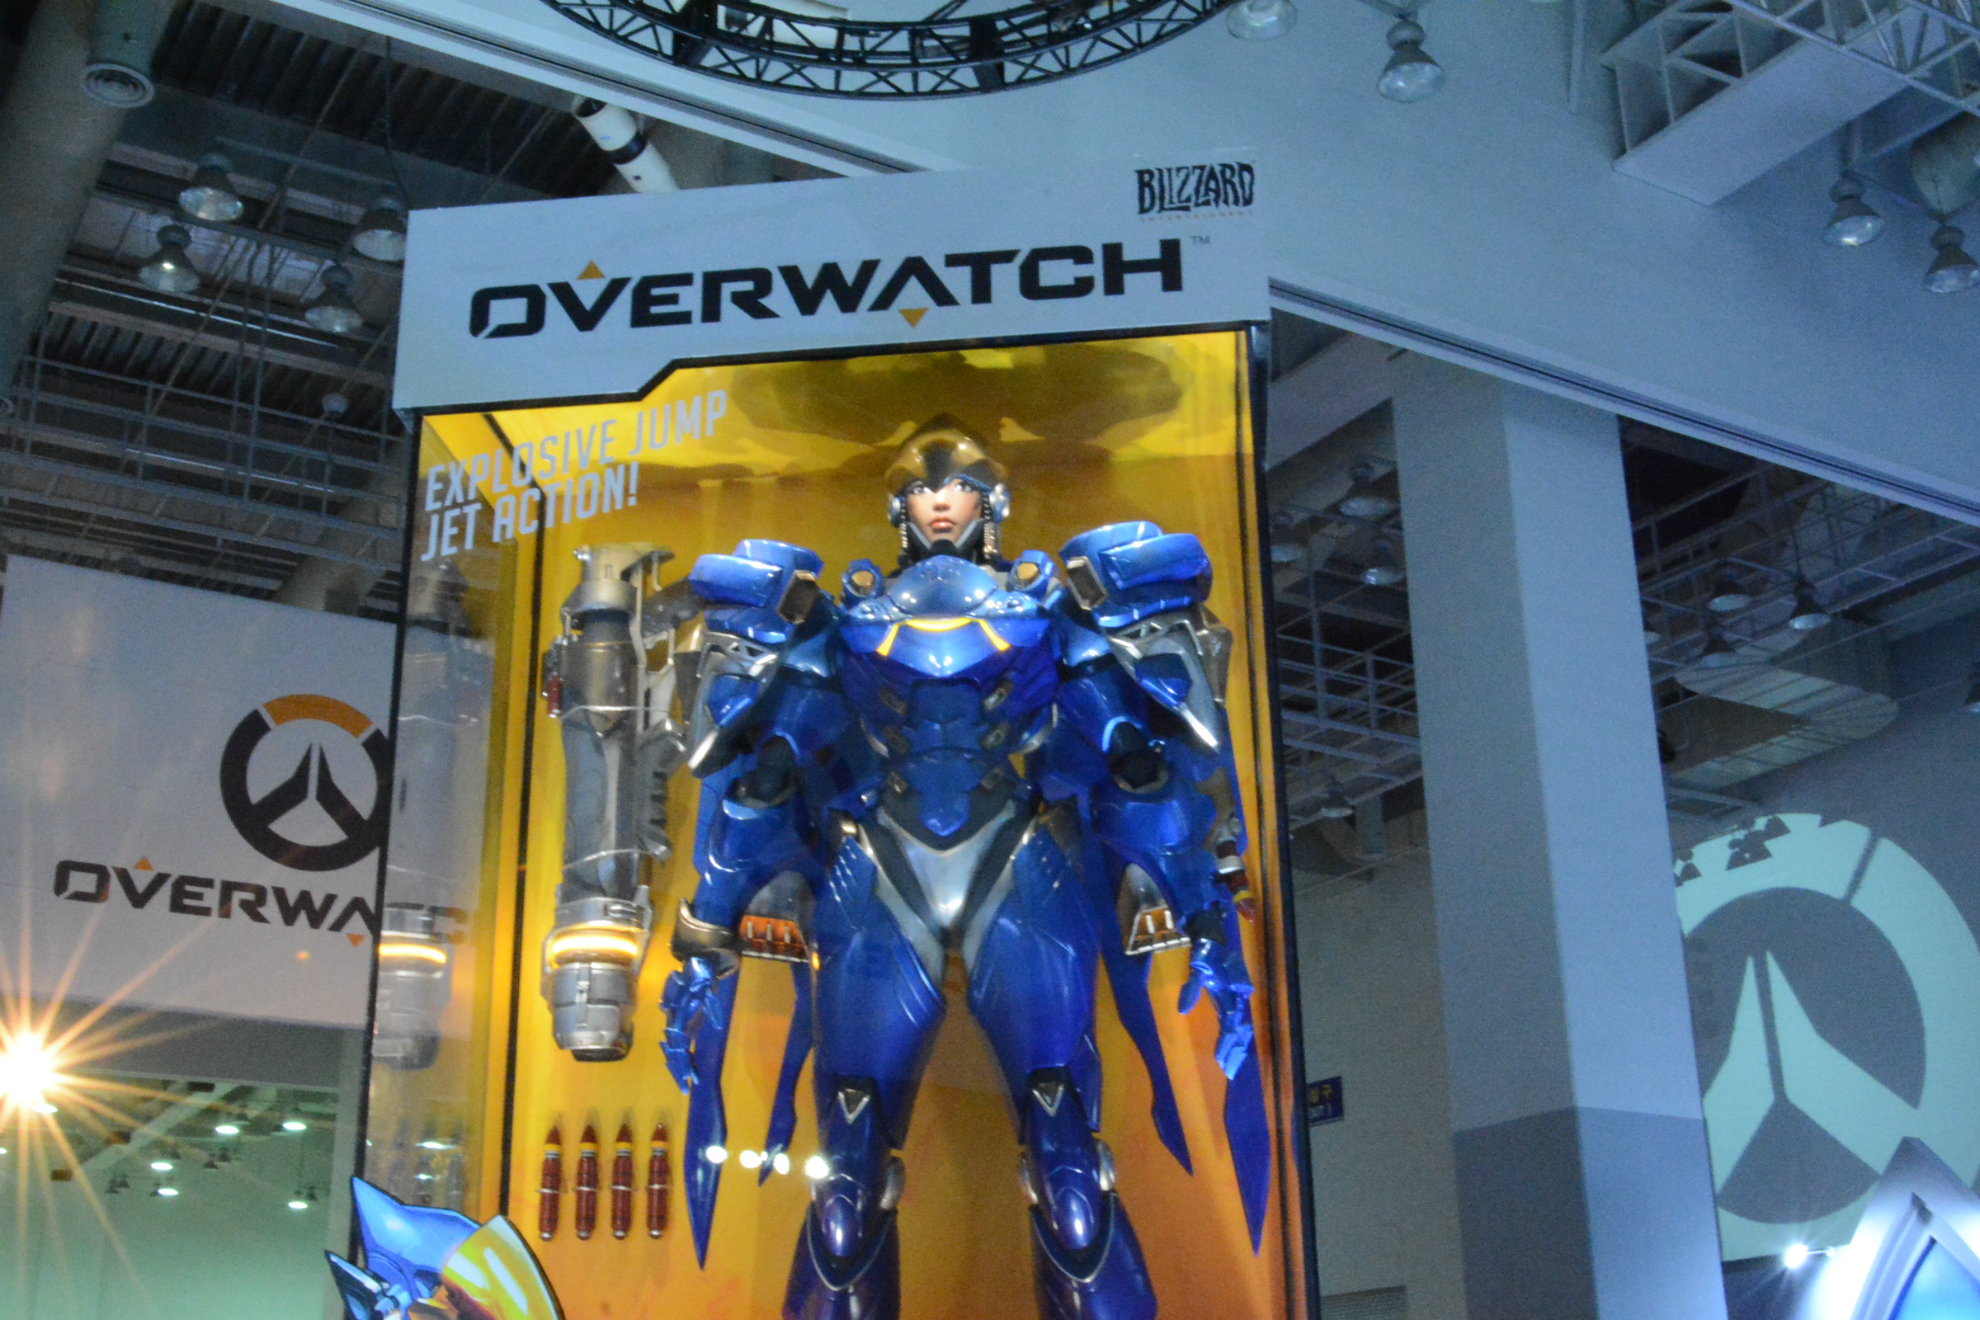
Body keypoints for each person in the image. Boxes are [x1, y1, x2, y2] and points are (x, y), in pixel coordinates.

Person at [663, 416, 1264, 1320]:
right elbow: (758, 780)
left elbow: (1139, 758)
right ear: (900, 510)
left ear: (992, 504)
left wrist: (1200, 905)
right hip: (879, 867)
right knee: (844, 1191)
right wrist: (708, 930)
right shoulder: (840, 620)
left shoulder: (1052, 611)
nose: (941, 506)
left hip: (1014, 859)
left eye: (958, 492)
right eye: (923, 493)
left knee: (1070, 1175)